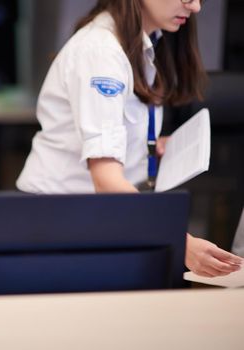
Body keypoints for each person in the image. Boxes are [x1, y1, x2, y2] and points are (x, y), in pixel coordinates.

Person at [16, 0, 243, 277]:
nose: (195, 7)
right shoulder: (101, 52)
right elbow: (107, 180)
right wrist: (180, 242)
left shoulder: (142, 42)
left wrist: (146, 148)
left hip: (93, 219)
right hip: (60, 224)